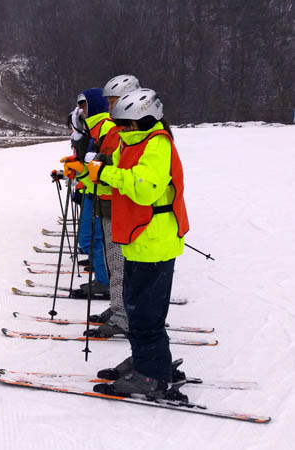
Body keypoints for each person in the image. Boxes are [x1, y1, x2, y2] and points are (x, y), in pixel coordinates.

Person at [87, 88, 189, 397]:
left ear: (142, 121)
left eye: (124, 124)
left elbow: (143, 189)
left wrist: (104, 172)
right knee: (138, 311)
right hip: (138, 241)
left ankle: (151, 375)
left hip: (154, 243)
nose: (119, 130)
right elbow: (114, 169)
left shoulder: (157, 146)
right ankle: (149, 362)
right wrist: (87, 171)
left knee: (145, 314)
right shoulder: (134, 142)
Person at [83, 75, 141, 337]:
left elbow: (117, 170)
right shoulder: (118, 129)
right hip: (107, 203)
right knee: (111, 260)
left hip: (119, 206)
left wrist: (92, 170)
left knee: (119, 264)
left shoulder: (125, 132)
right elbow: (105, 166)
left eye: (114, 101)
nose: (110, 107)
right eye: (108, 102)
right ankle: (118, 308)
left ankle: (124, 316)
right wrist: (86, 173)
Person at [63, 88, 110, 297]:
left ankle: (104, 280)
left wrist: (83, 174)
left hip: (102, 192)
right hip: (93, 189)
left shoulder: (106, 129)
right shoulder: (92, 130)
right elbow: (88, 163)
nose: (81, 111)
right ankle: (103, 276)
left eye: (84, 105)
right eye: (80, 106)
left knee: (93, 237)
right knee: (89, 237)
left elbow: (100, 165)